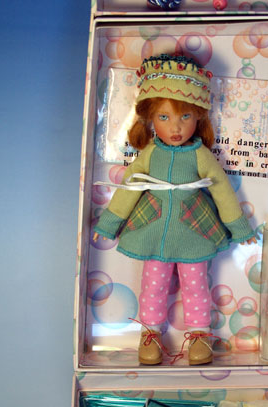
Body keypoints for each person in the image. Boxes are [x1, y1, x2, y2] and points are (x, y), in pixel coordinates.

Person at [93, 53, 256, 365]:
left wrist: (239, 227)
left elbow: (222, 191)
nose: (176, 127)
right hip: (153, 231)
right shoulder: (149, 154)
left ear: (199, 117)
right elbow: (129, 187)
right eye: (164, 117)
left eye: (185, 116)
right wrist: (108, 224)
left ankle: (200, 335)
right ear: (150, 119)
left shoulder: (201, 155)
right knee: (152, 287)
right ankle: (150, 334)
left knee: (196, 286)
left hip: (193, 231)